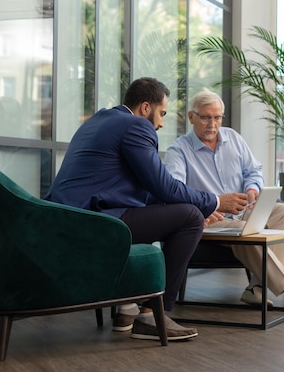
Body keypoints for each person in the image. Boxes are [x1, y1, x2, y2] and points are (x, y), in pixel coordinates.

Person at [44, 78, 248, 341]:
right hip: (93, 223)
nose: (161, 123)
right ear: (144, 108)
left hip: (70, 217)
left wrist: (185, 203)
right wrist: (215, 202)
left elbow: (145, 190)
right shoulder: (135, 126)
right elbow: (164, 186)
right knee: (190, 217)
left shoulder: (99, 121)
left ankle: (127, 306)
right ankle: (150, 316)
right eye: (161, 113)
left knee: (175, 213)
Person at [165, 90, 284, 309]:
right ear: (191, 117)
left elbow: (254, 170)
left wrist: (252, 190)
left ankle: (256, 288)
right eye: (205, 117)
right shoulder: (178, 151)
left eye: (217, 118)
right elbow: (175, 190)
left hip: (243, 211)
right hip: (211, 218)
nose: (212, 124)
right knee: (244, 228)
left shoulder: (234, 139)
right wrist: (208, 205)